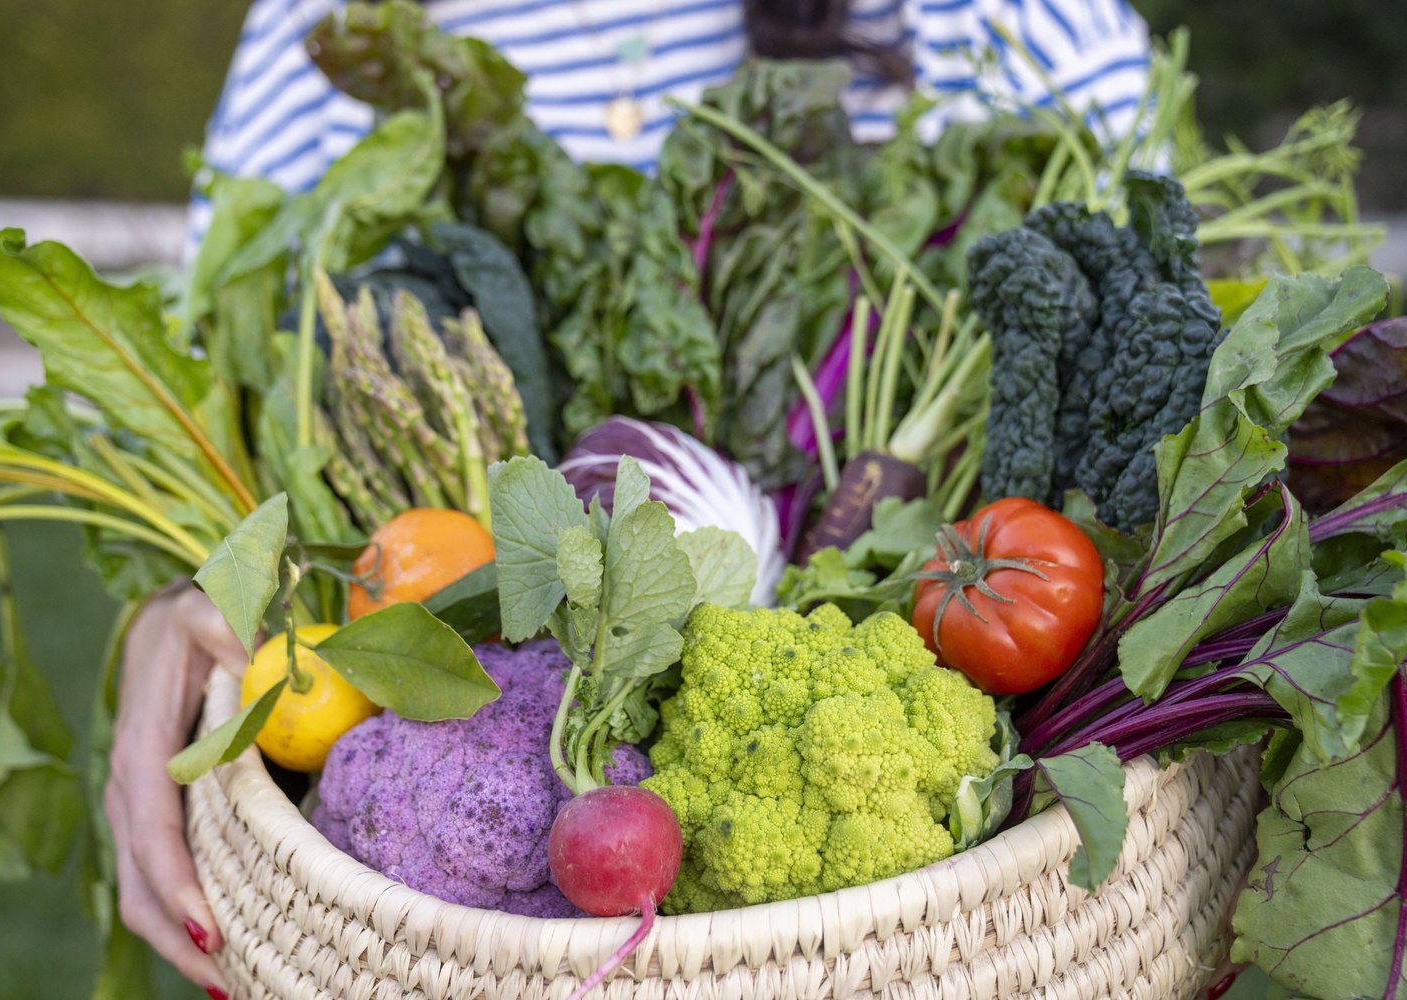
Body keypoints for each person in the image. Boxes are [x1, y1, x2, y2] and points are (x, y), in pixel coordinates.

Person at [116, 1, 1152, 994]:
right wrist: (179, 599)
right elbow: (226, 383)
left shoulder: (996, 18)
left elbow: (1148, 348)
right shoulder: (323, 17)